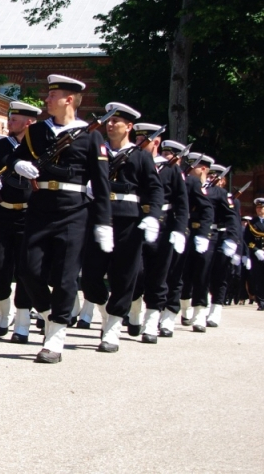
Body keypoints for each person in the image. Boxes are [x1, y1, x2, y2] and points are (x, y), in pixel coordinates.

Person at [10, 75, 112, 364]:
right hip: (40, 207)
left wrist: (104, 223)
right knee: (28, 271)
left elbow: (101, 184)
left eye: (53, 96)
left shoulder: (91, 136)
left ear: (69, 100)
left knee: (67, 278)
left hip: (74, 212)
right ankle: (48, 314)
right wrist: (20, 165)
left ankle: (55, 337)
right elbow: (16, 158)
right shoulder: (37, 131)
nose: (47, 100)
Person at [79, 102, 163, 353]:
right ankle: (107, 313)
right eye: (110, 120)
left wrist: (152, 216)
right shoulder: (97, 151)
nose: (111, 124)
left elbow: (155, 189)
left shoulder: (140, 156)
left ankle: (113, 327)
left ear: (129, 127)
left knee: (124, 275)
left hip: (128, 220)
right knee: (92, 276)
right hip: (98, 217)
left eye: (117, 121)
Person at [0, 101, 42, 342]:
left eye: (15, 119)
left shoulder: (38, 146)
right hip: (3, 212)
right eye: (10, 118)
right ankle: (4, 313)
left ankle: (23, 321)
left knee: (27, 270)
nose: (10, 123)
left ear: (29, 122)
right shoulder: (2, 146)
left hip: (30, 215)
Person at [129, 127, 189, 344]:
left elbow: (182, 204)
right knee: (135, 272)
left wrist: (179, 230)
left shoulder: (171, 169)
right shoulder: (132, 161)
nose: (138, 142)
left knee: (158, 275)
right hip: (135, 221)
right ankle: (134, 309)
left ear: (156, 142)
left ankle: (152, 321)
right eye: (136, 138)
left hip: (163, 226)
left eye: (142, 139)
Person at [163, 151, 215, 336]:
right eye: (164, 153)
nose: (166, 156)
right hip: (164, 229)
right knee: (162, 273)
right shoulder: (160, 172)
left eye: (170, 154)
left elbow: (206, 208)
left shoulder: (190, 181)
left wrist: (203, 234)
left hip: (186, 232)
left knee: (191, 273)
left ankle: (194, 312)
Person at [205, 165, 242, 328]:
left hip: (222, 236)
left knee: (220, 275)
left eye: (215, 177)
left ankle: (216, 308)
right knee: (203, 272)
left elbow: (235, 223)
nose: (211, 179)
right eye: (210, 175)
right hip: (206, 235)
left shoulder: (230, 198)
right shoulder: (204, 192)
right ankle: (202, 304)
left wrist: (235, 244)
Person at [244, 198, 264, 310]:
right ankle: (261, 302)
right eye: (258, 207)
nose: (259, 209)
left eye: (261, 207)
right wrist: (255, 250)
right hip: (258, 255)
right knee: (258, 279)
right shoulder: (252, 223)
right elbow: (247, 239)